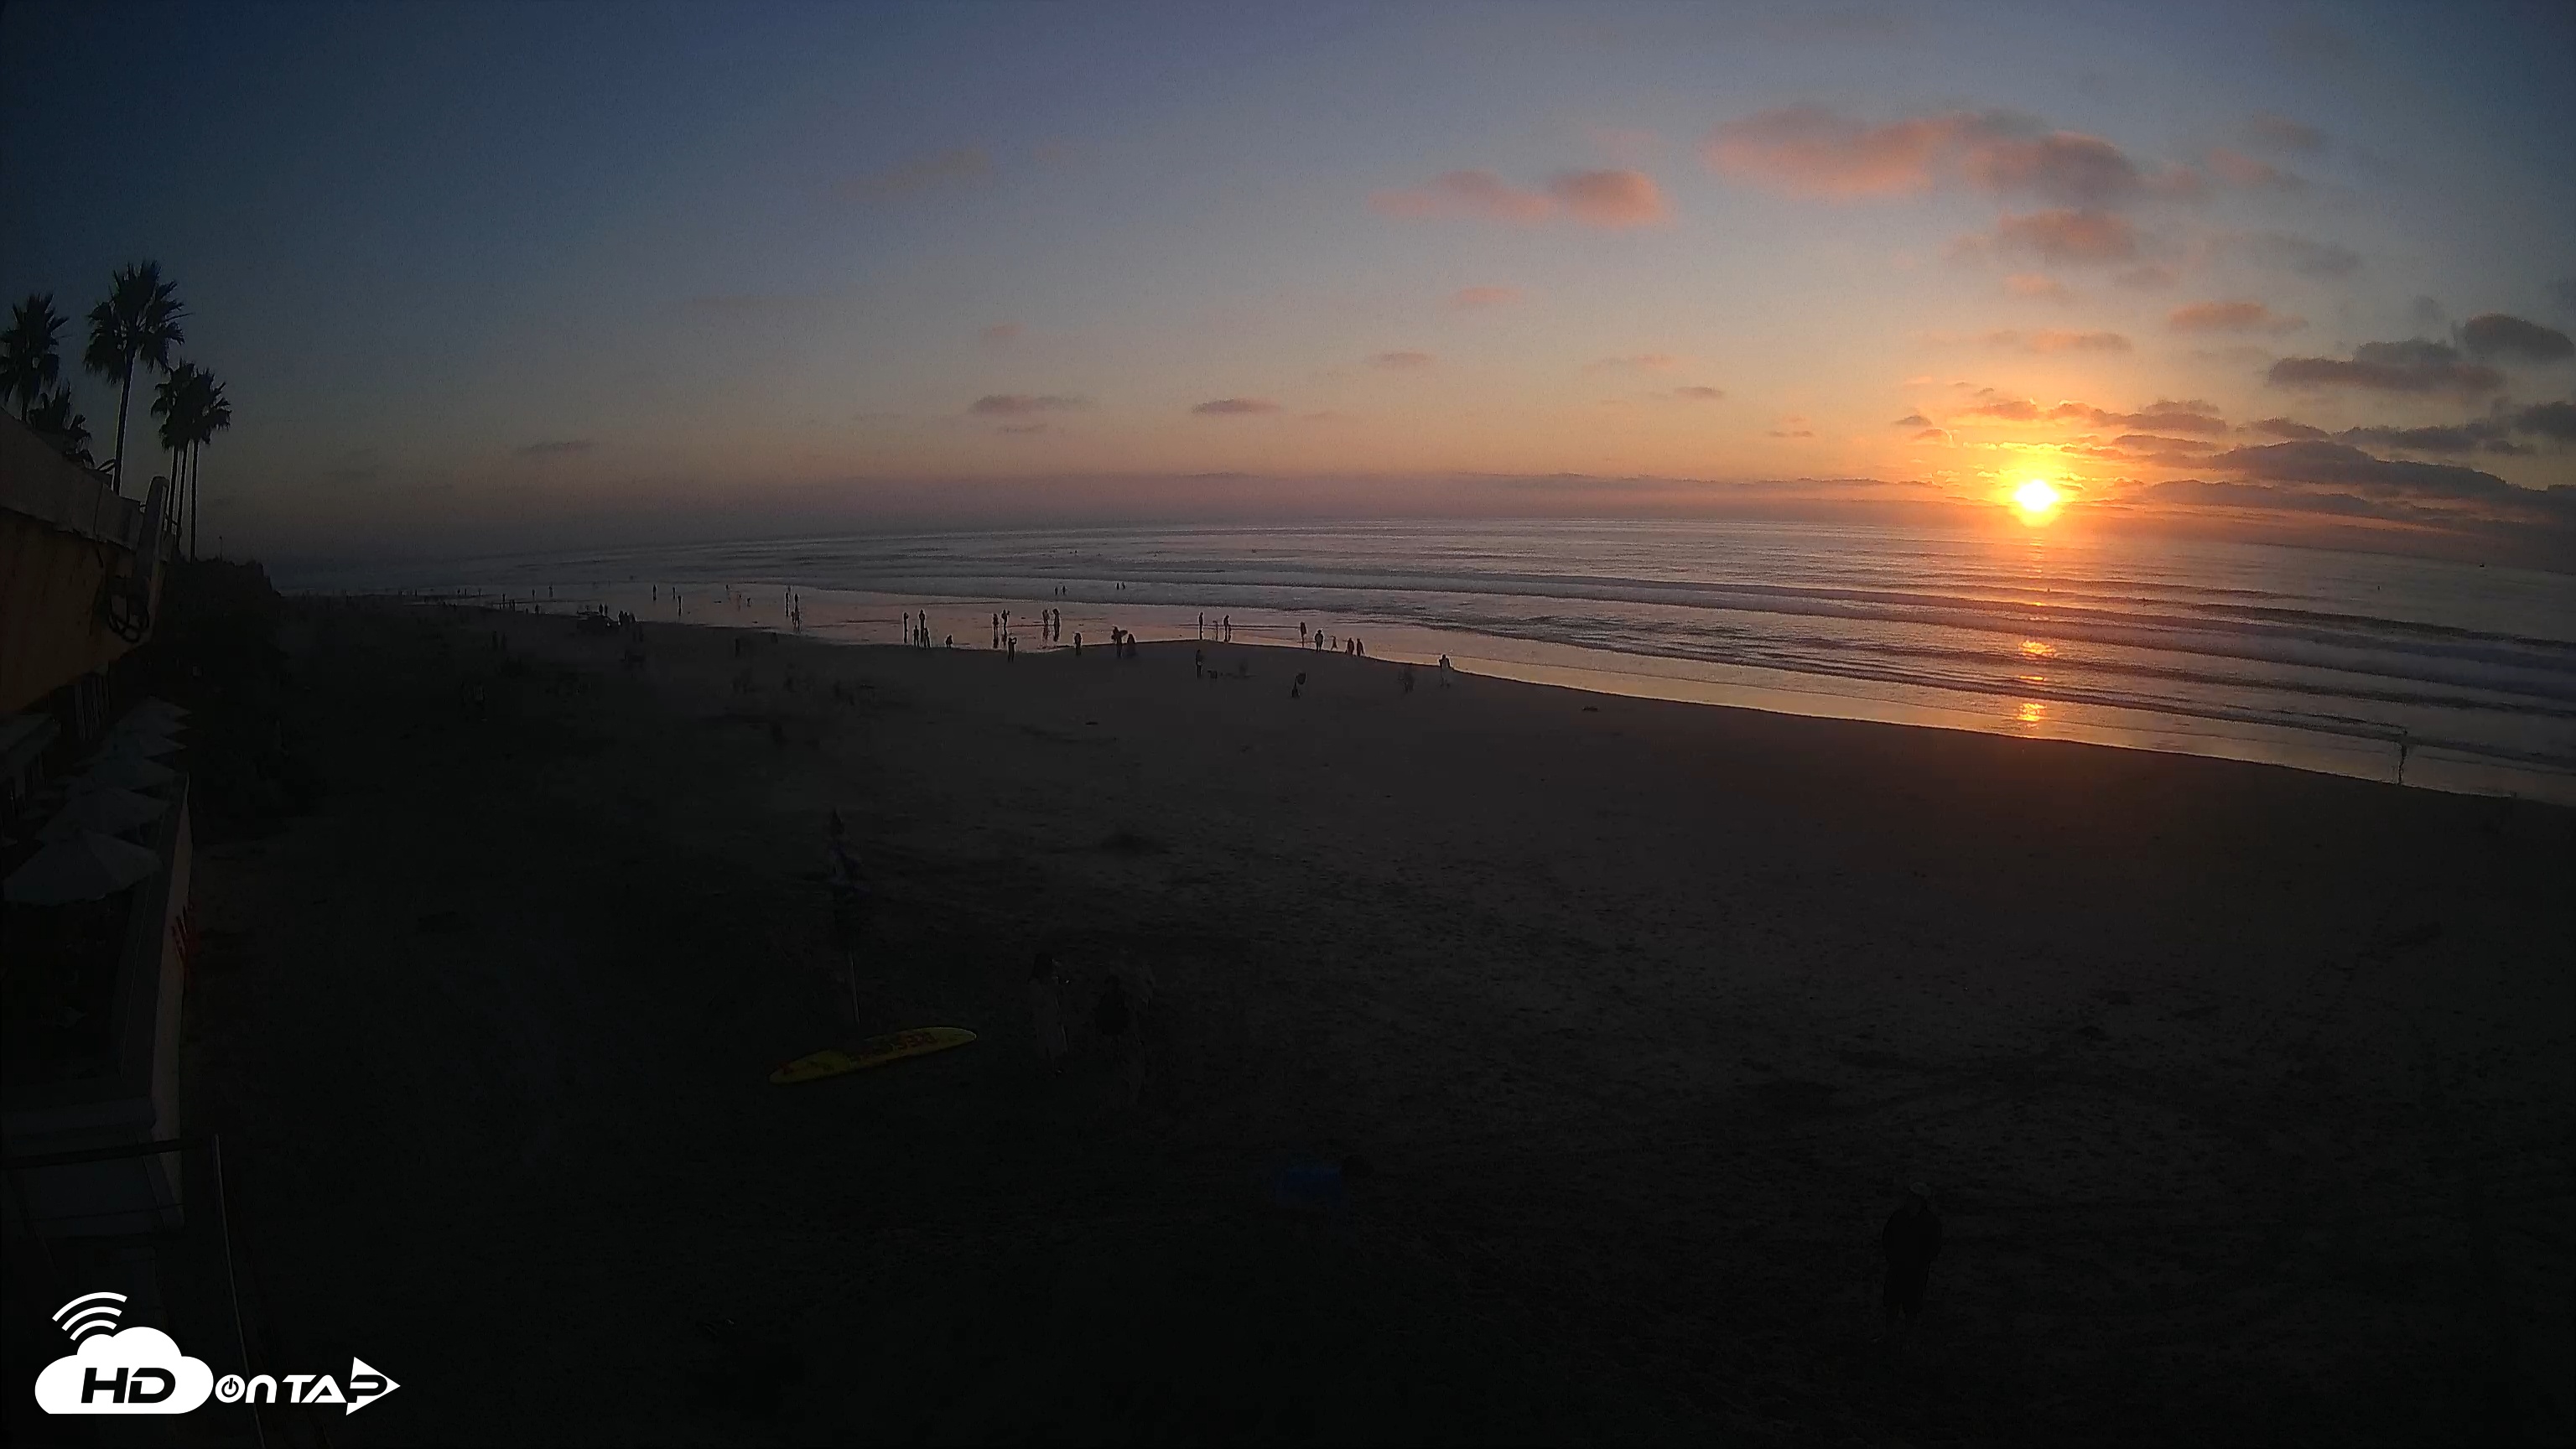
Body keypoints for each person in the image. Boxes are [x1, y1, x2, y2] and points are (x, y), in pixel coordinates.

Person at [825, 811, 870, 1027]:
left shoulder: (842, 850)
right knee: (845, 945)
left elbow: (854, 878)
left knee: (847, 944)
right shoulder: (839, 849)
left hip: (846, 902)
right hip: (844, 901)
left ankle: (855, 1016)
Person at [1880, 1183, 1941, 1337]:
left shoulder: (1930, 1222)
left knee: (1911, 1306)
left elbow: (1934, 1246)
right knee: (1892, 1302)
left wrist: (1921, 1262)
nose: (1910, 1200)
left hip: (1916, 1271)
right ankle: (1889, 1334)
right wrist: (1892, 1257)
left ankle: (1907, 1338)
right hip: (1898, 1267)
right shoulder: (1899, 1217)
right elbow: (1887, 1238)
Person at [1095, 974, 1143, 1101]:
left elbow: (1124, 1014)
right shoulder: (1107, 1000)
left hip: (1115, 1030)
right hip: (1110, 1030)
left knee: (1115, 1047)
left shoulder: (1118, 1000)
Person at [1029, 952, 1068, 1073]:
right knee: (1046, 1043)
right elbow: (1038, 1001)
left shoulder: (1052, 981)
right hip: (1044, 1018)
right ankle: (1048, 1067)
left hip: (1053, 1016)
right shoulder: (1035, 984)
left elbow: (1059, 996)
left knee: (1056, 1043)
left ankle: (1056, 1067)